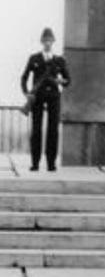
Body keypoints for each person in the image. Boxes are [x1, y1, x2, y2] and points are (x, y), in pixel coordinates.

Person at [20, 27, 71, 172]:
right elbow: (24, 78)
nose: (47, 43)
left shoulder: (59, 60)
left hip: (54, 97)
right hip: (37, 97)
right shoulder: (34, 58)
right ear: (42, 42)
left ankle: (51, 163)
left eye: (50, 40)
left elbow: (68, 80)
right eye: (45, 40)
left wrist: (62, 82)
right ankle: (35, 163)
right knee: (36, 130)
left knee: (53, 130)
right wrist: (26, 93)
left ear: (53, 42)